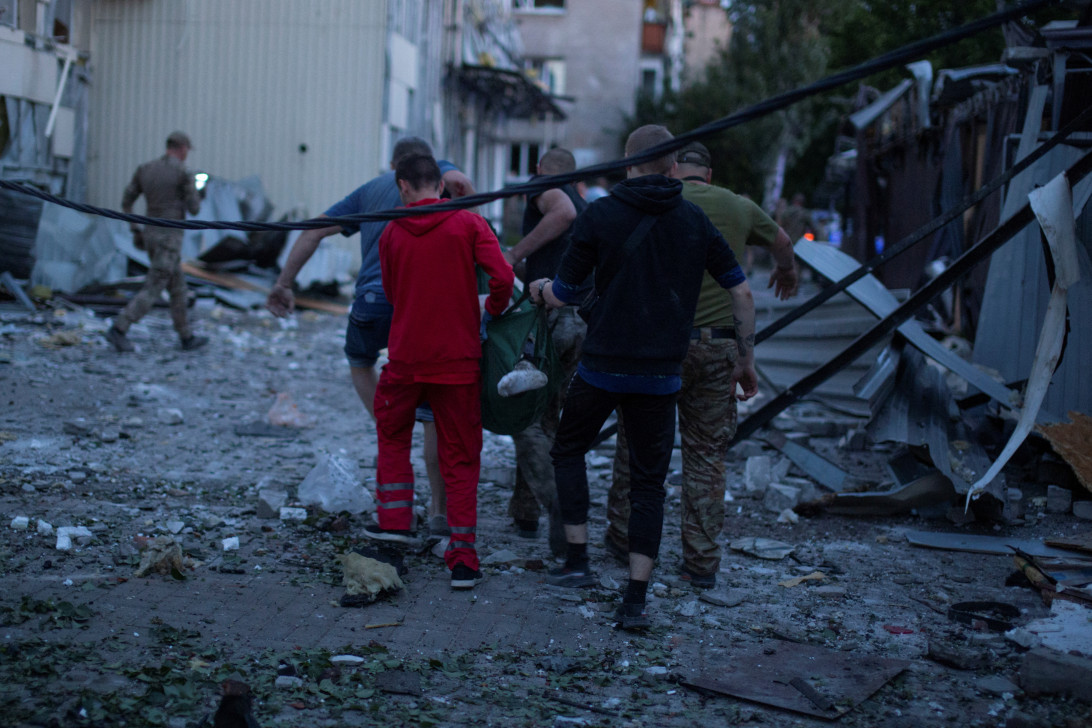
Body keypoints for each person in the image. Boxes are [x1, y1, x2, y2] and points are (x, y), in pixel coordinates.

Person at [528, 125, 758, 630]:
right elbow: (741, 293)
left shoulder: (602, 214)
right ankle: (635, 600)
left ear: (628, 164)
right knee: (651, 483)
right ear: (673, 167)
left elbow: (565, 291)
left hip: (603, 366)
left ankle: (578, 561)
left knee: (568, 450)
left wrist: (540, 289)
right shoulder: (695, 220)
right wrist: (744, 358)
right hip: (660, 376)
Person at [606, 140, 799, 589]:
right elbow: (784, 243)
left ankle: (622, 540)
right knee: (707, 456)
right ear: (709, 175)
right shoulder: (739, 205)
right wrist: (786, 272)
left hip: (656, 346)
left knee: (635, 447)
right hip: (717, 348)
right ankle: (701, 562)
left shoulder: (657, 201)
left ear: (673, 171)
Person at [266, 137, 475, 540]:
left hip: (373, 302)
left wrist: (283, 283)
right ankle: (437, 514)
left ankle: (390, 425)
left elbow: (311, 232)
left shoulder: (369, 191)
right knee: (433, 408)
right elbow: (461, 182)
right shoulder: (437, 173)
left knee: (359, 360)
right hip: (424, 307)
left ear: (396, 173)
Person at [374, 153, 514, 588]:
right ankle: (463, 557)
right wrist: (489, 311)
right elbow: (504, 279)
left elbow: (393, 293)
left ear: (402, 187)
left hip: (406, 358)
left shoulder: (391, 231)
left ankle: (394, 532)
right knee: (461, 456)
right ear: (441, 185)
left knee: (393, 438)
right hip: (458, 361)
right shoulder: (470, 224)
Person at [502, 148, 589, 556]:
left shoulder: (545, 190)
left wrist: (513, 252)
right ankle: (525, 511)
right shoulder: (587, 204)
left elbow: (563, 213)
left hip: (550, 320)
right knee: (546, 415)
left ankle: (558, 506)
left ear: (539, 172)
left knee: (523, 412)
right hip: (579, 322)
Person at [105, 131, 207, 353]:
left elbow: (126, 202)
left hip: (151, 233)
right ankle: (120, 327)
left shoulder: (146, 170)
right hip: (170, 237)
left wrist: (135, 229)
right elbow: (194, 208)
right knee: (155, 285)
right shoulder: (183, 173)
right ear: (182, 148)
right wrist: (200, 191)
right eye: (187, 150)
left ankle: (186, 336)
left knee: (178, 287)